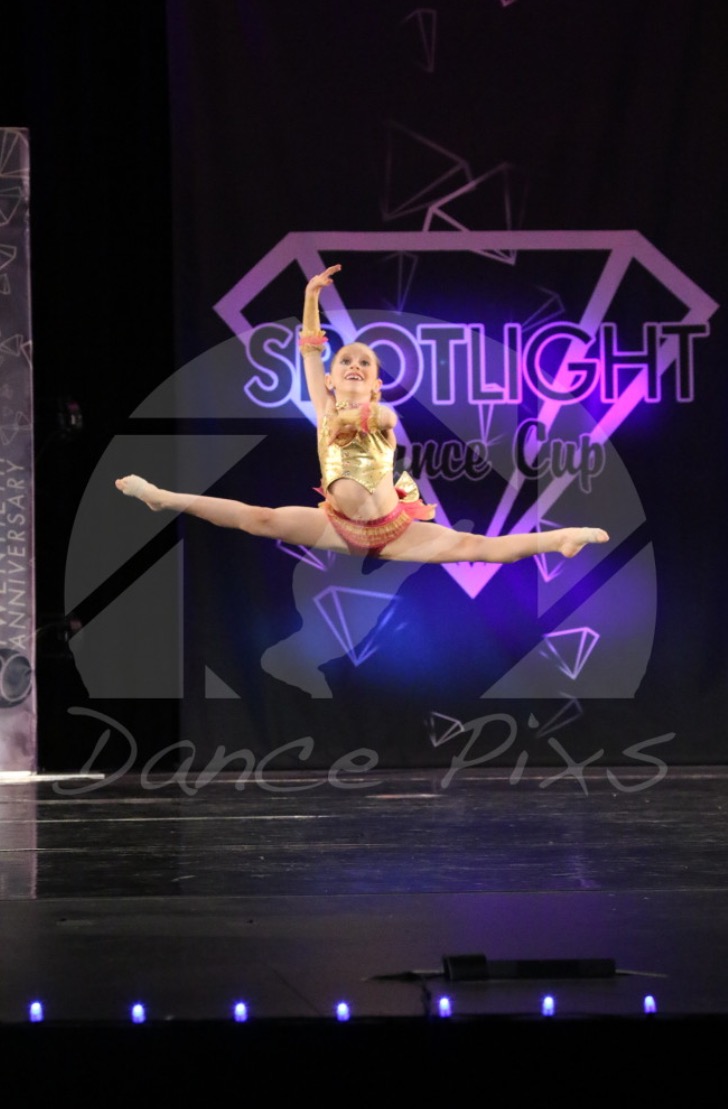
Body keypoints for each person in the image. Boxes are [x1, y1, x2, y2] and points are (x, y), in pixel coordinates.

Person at [116, 264, 609, 563]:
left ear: (376, 383)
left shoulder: (382, 412)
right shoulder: (324, 406)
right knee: (259, 519)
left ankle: (560, 539)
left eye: (365, 363)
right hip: (338, 527)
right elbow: (311, 350)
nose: (353, 365)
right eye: (345, 361)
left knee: (474, 547)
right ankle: (162, 498)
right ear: (331, 379)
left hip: (393, 529)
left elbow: (387, 421)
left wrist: (364, 417)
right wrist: (310, 298)